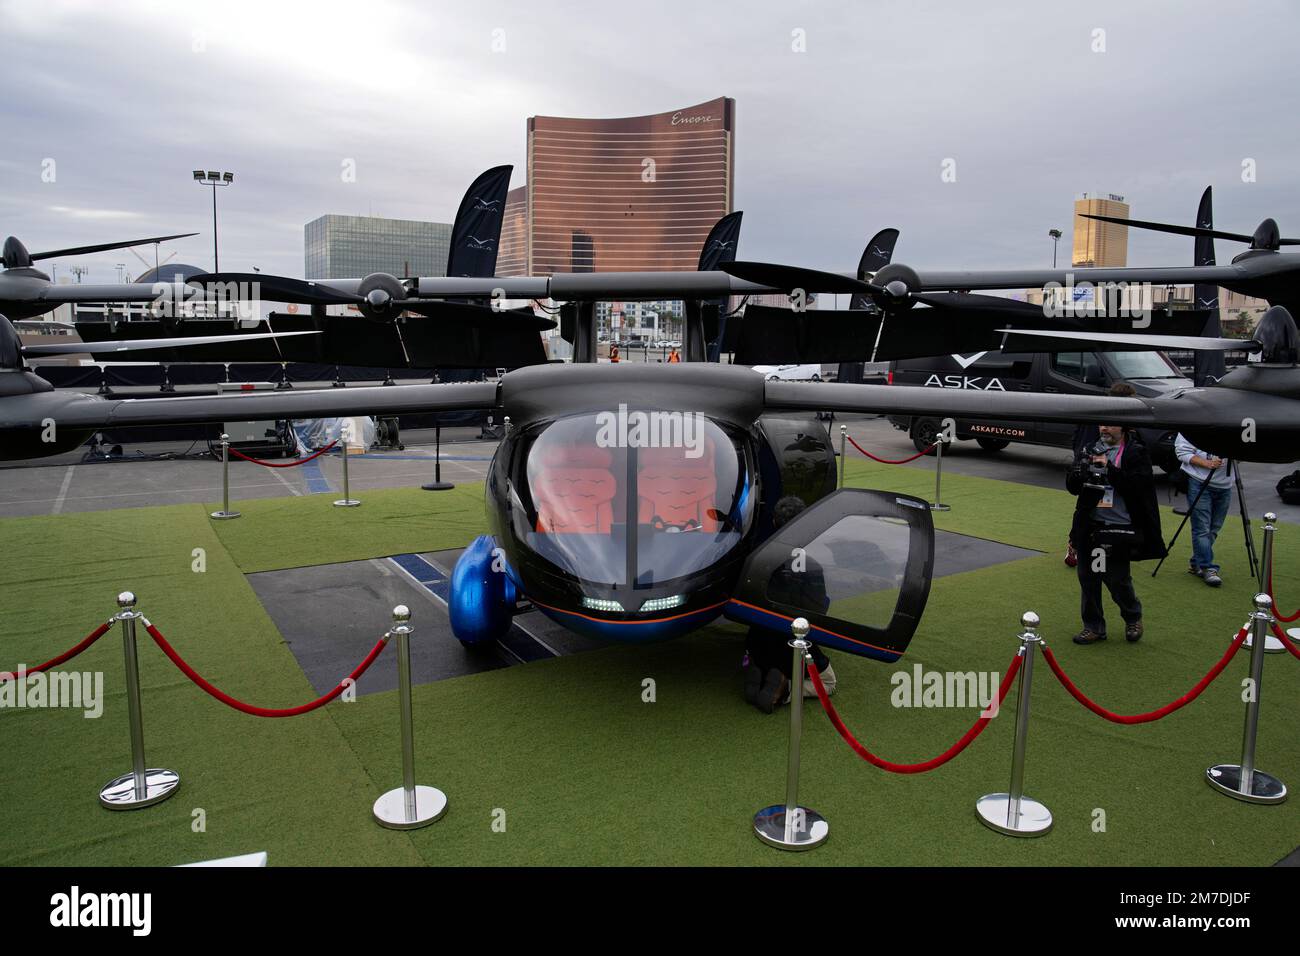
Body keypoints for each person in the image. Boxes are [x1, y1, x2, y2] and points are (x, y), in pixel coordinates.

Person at [1066, 422, 1164, 645]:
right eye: (1102, 425)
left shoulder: (1135, 452)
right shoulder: (1089, 449)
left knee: (1117, 580)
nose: (1104, 429)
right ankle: (1093, 627)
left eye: (1111, 425)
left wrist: (1109, 467)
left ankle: (1133, 617)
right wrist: (1079, 472)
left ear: (1124, 428)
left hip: (1119, 527)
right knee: (1088, 579)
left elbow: (1138, 487)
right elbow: (1073, 488)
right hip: (1090, 525)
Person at [743, 496, 836, 712]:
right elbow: (818, 610)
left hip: (757, 640)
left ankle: (754, 667)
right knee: (829, 682)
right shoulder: (813, 565)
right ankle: (785, 689)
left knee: (759, 644)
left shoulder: (757, 557)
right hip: (793, 645)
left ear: (774, 522)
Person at [1065, 382, 1136, 568]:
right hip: (1089, 461)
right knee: (1085, 503)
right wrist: (1082, 458)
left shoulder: (1131, 446)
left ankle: (1080, 545)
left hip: (1116, 514)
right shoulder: (1102, 415)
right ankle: (1075, 543)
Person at [1174, 434, 1232, 587]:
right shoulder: (1193, 422)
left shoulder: (1233, 423)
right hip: (1198, 481)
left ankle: (1196, 562)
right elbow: (1182, 452)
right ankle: (1208, 567)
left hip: (1225, 484)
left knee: (1214, 528)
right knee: (1202, 529)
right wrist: (1207, 463)